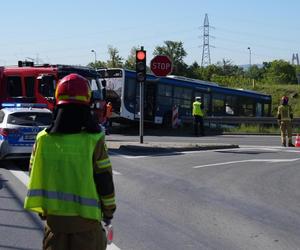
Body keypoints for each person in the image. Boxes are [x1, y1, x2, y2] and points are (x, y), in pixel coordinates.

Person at [24, 73, 116, 250]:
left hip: (55, 227)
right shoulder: (94, 139)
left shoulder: (42, 139)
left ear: (57, 103)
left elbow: (35, 173)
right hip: (87, 228)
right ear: (87, 103)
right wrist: (109, 212)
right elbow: (104, 180)